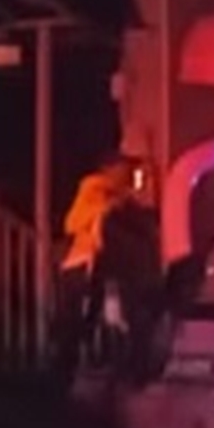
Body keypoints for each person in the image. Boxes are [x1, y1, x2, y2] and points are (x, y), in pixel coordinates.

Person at [55, 153, 150, 377]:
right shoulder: (95, 189)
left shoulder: (124, 200)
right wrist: (106, 207)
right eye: (123, 168)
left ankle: (84, 367)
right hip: (83, 264)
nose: (127, 174)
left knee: (95, 318)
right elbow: (72, 223)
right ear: (110, 169)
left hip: (103, 266)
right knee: (78, 320)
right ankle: (67, 368)